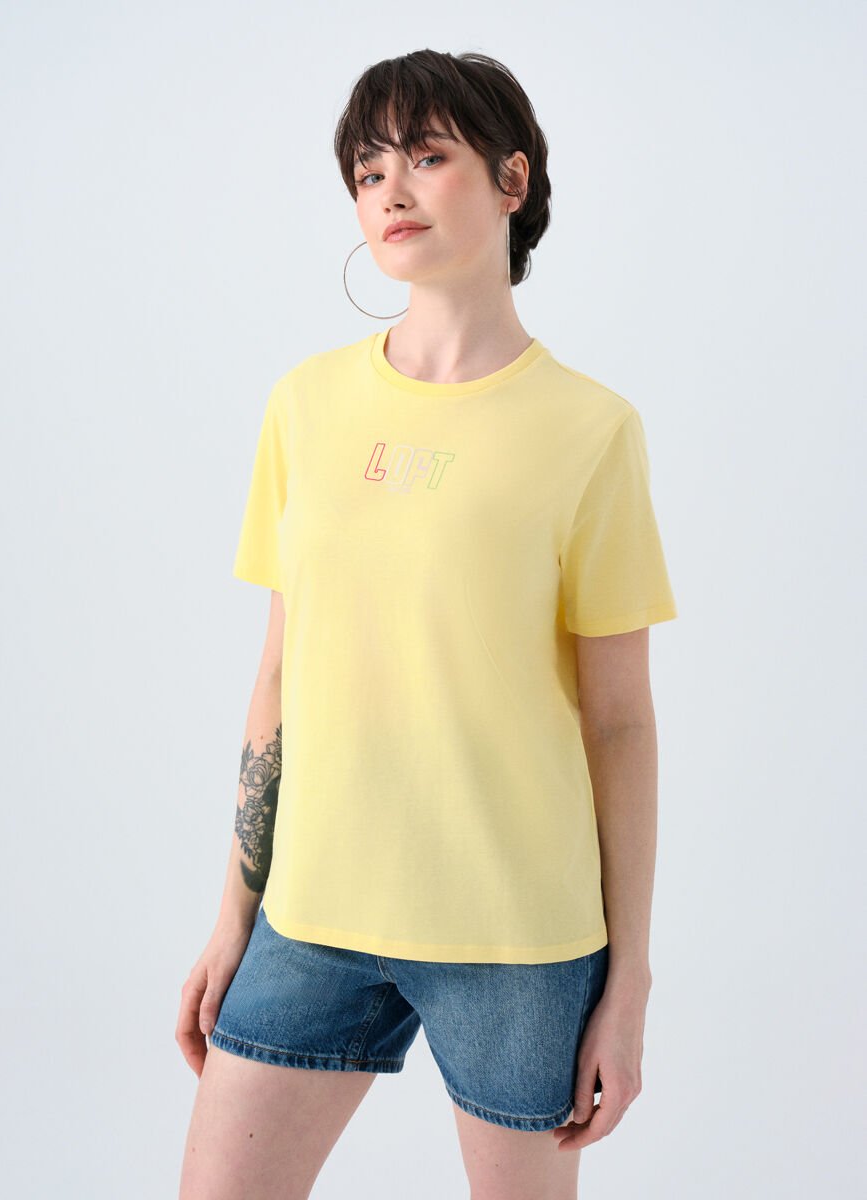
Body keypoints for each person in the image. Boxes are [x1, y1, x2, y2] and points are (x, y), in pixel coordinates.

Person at [176, 48, 678, 1200]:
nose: (390, 190)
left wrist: (629, 985)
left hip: (518, 938)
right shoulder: (306, 404)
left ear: (513, 179)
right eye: (367, 171)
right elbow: (279, 677)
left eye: (427, 156)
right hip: (311, 917)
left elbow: (619, 724)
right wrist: (233, 916)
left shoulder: (591, 430)